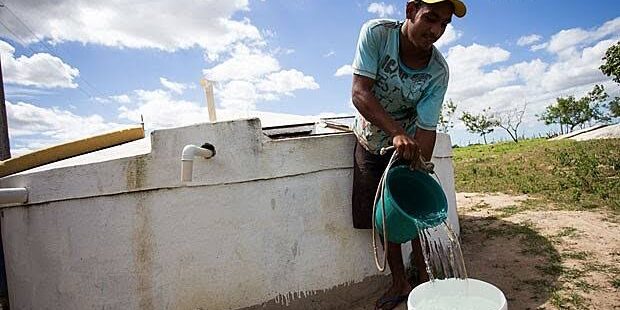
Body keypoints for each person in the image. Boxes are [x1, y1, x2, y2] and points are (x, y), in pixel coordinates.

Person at [350, 0, 466, 309]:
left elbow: (426, 128)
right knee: (384, 219)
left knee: (415, 209)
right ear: (411, 9)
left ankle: (422, 273)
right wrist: (395, 131)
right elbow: (360, 92)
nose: (436, 30)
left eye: (444, 24)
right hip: (372, 143)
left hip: (410, 145)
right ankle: (399, 282)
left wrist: (419, 166)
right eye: (431, 18)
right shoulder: (377, 35)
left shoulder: (438, 71)